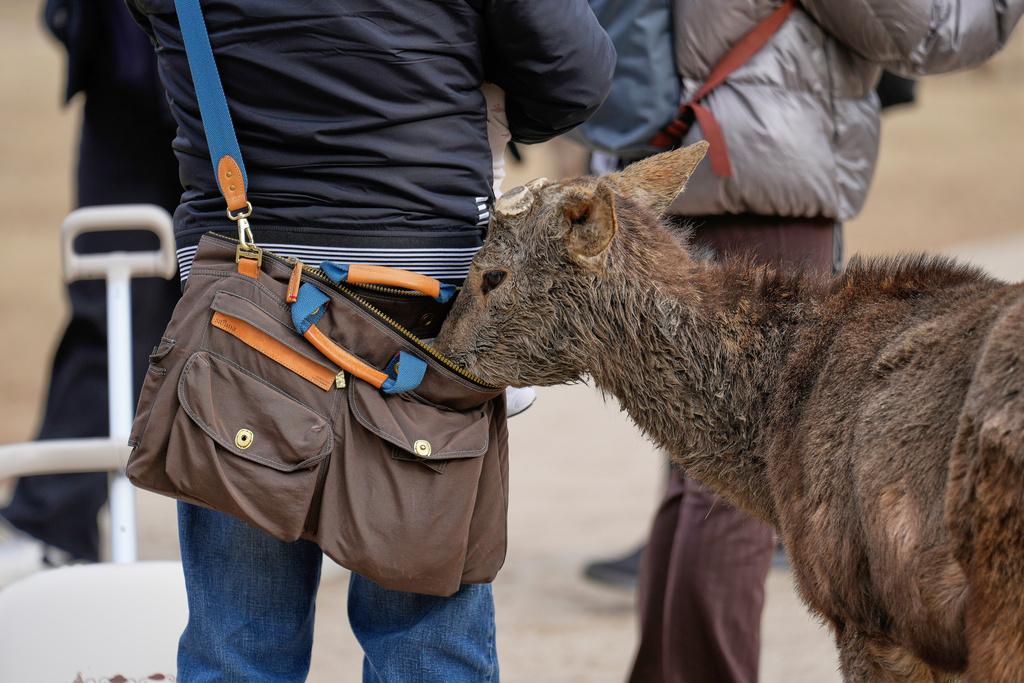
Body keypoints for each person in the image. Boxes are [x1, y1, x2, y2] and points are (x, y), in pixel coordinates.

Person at [123, 0, 614, 680]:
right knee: (427, 640)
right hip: (418, 284)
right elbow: (574, 73)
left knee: (236, 645)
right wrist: (466, 93)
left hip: (242, 280)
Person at [580, 1, 1022, 681]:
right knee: (750, 468)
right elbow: (923, 30)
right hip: (761, 168)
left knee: (698, 462)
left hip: (680, 156)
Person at [0, 0, 180, 584]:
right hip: (123, 62)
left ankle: (314, 511)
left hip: (249, 75)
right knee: (111, 301)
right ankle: (53, 523)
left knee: (268, 296)